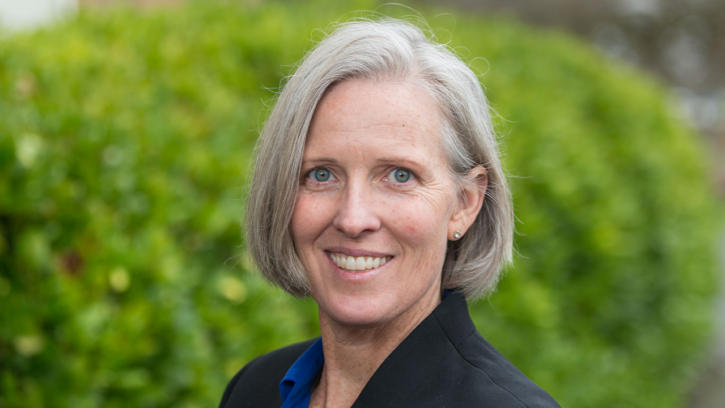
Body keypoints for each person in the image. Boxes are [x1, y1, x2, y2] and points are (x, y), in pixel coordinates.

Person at [220, 17, 560, 408]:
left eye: (400, 176)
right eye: (322, 174)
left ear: (465, 203)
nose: (353, 218)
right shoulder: (253, 389)